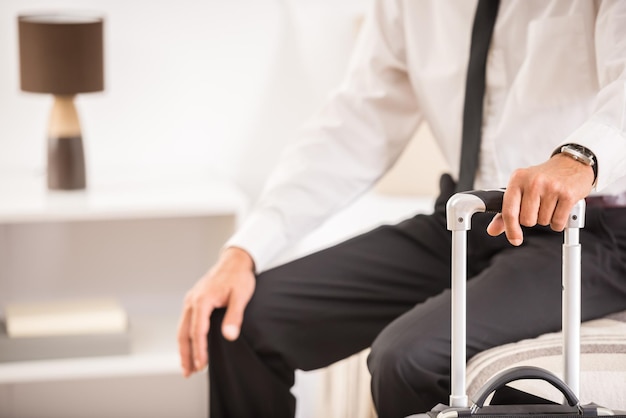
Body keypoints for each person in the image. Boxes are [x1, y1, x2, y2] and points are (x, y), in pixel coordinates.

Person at [178, 1, 626, 417]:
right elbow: (357, 121)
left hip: (587, 233)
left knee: (407, 358)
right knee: (241, 321)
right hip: (465, 218)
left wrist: (582, 157)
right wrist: (244, 251)